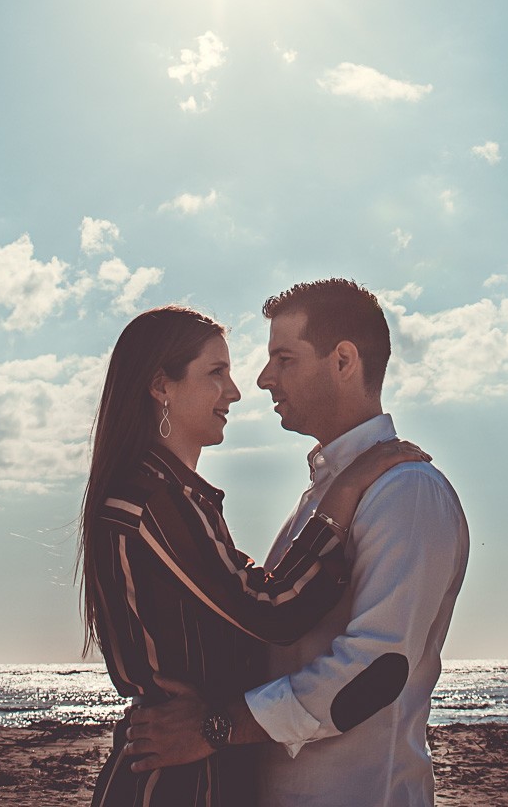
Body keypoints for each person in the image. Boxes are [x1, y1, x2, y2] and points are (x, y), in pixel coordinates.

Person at [126, 279, 470, 807]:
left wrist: (213, 728)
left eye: (283, 359)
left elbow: (374, 670)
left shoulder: (406, 492)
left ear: (343, 361)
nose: (262, 379)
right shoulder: (323, 499)